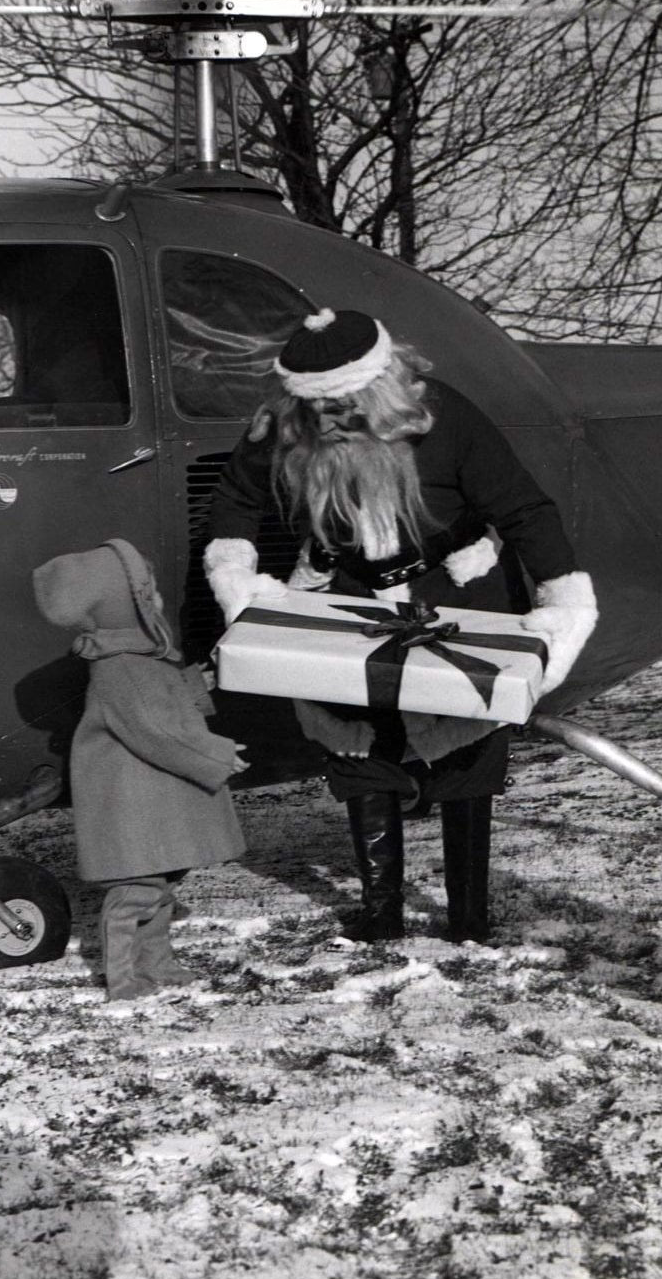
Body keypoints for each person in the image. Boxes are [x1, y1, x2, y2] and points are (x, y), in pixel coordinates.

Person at [204, 308, 597, 945]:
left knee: (468, 750)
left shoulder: (447, 416)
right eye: (319, 407)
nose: (330, 420)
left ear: (381, 389)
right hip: (351, 597)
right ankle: (381, 913)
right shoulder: (287, 422)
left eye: (346, 405)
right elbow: (236, 497)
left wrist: (564, 609)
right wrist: (238, 581)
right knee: (361, 743)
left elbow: (526, 510)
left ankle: (469, 917)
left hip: (457, 594)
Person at [33, 538, 248, 1001]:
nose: (158, 601)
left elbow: (161, 703)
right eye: (147, 593)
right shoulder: (122, 667)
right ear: (122, 607)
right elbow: (156, 729)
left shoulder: (138, 658)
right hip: (133, 800)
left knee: (161, 883)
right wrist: (216, 754)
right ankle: (123, 976)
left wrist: (193, 683)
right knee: (137, 889)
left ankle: (157, 962)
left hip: (149, 794)